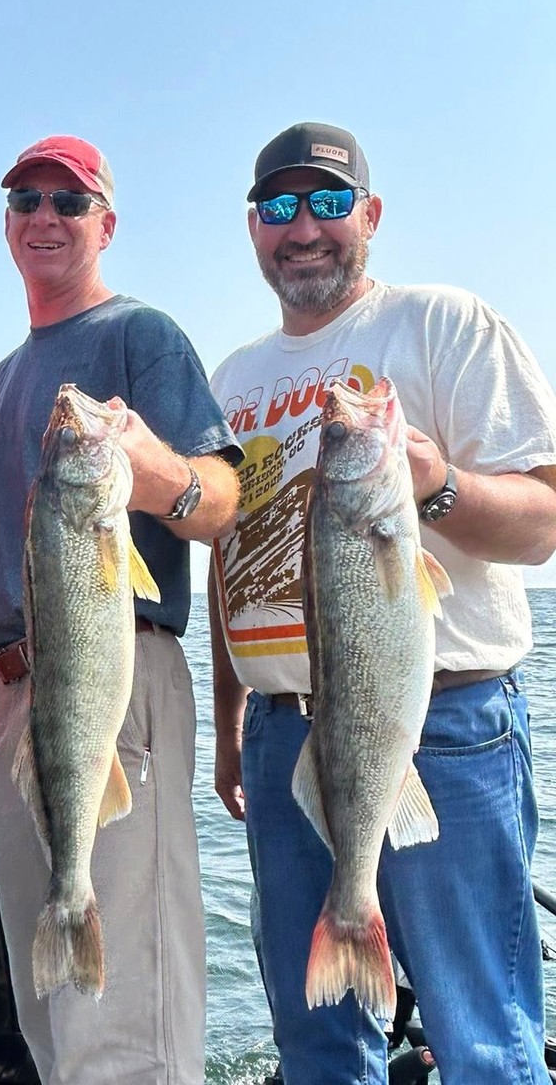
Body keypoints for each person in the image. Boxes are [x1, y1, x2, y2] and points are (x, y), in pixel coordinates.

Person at [209, 120, 556, 1084]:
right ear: (254, 230)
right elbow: (228, 559)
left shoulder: (444, 323)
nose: (303, 227)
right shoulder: (232, 381)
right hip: (284, 735)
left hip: (442, 722)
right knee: (316, 1040)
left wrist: (436, 483)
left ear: (370, 214)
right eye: (279, 208)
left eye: (327, 202)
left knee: (481, 1030)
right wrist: (229, 720)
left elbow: (542, 522)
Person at [0, 135, 242, 1085]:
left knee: (124, 1021)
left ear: (105, 225)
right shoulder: (3, 381)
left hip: (115, 675)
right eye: (26, 199)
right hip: (15, 698)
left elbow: (221, 502)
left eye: (69, 203)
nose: (44, 216)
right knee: (52, 1009)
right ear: (7, 222)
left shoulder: (143, 336)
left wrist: (147, 469)